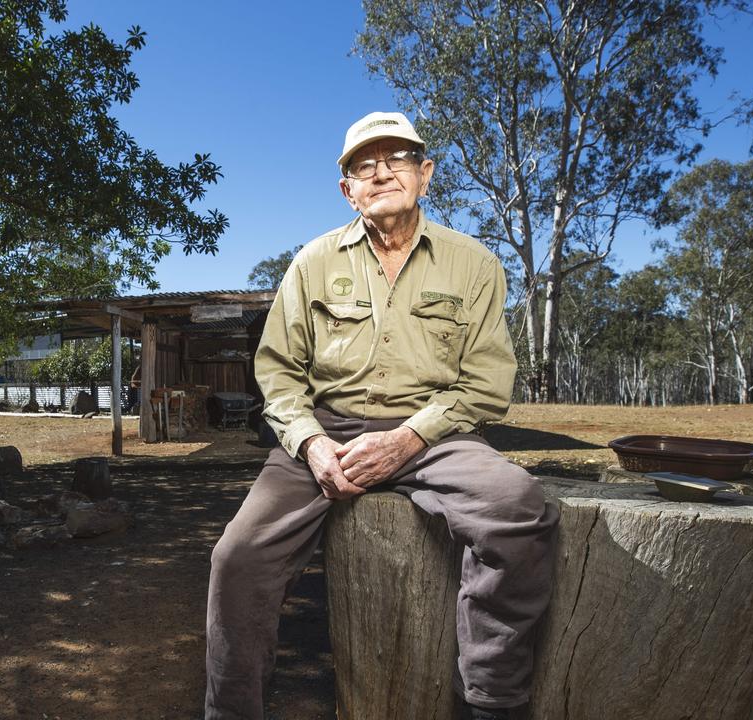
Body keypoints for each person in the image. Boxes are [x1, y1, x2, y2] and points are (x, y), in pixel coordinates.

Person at [204, 112, 559, 720]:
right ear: (348, 189)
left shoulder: (472, 263)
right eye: (363, 165)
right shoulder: (312, 261)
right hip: (328, 429)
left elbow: (487, 382)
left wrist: (407, 438)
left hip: (434, 433)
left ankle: (492, 701)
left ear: (425, 174)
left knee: (519, 511)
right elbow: (279, 372)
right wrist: (311, 444)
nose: (381, 172)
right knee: (236, 558)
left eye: (397, 159)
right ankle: (232, 711)